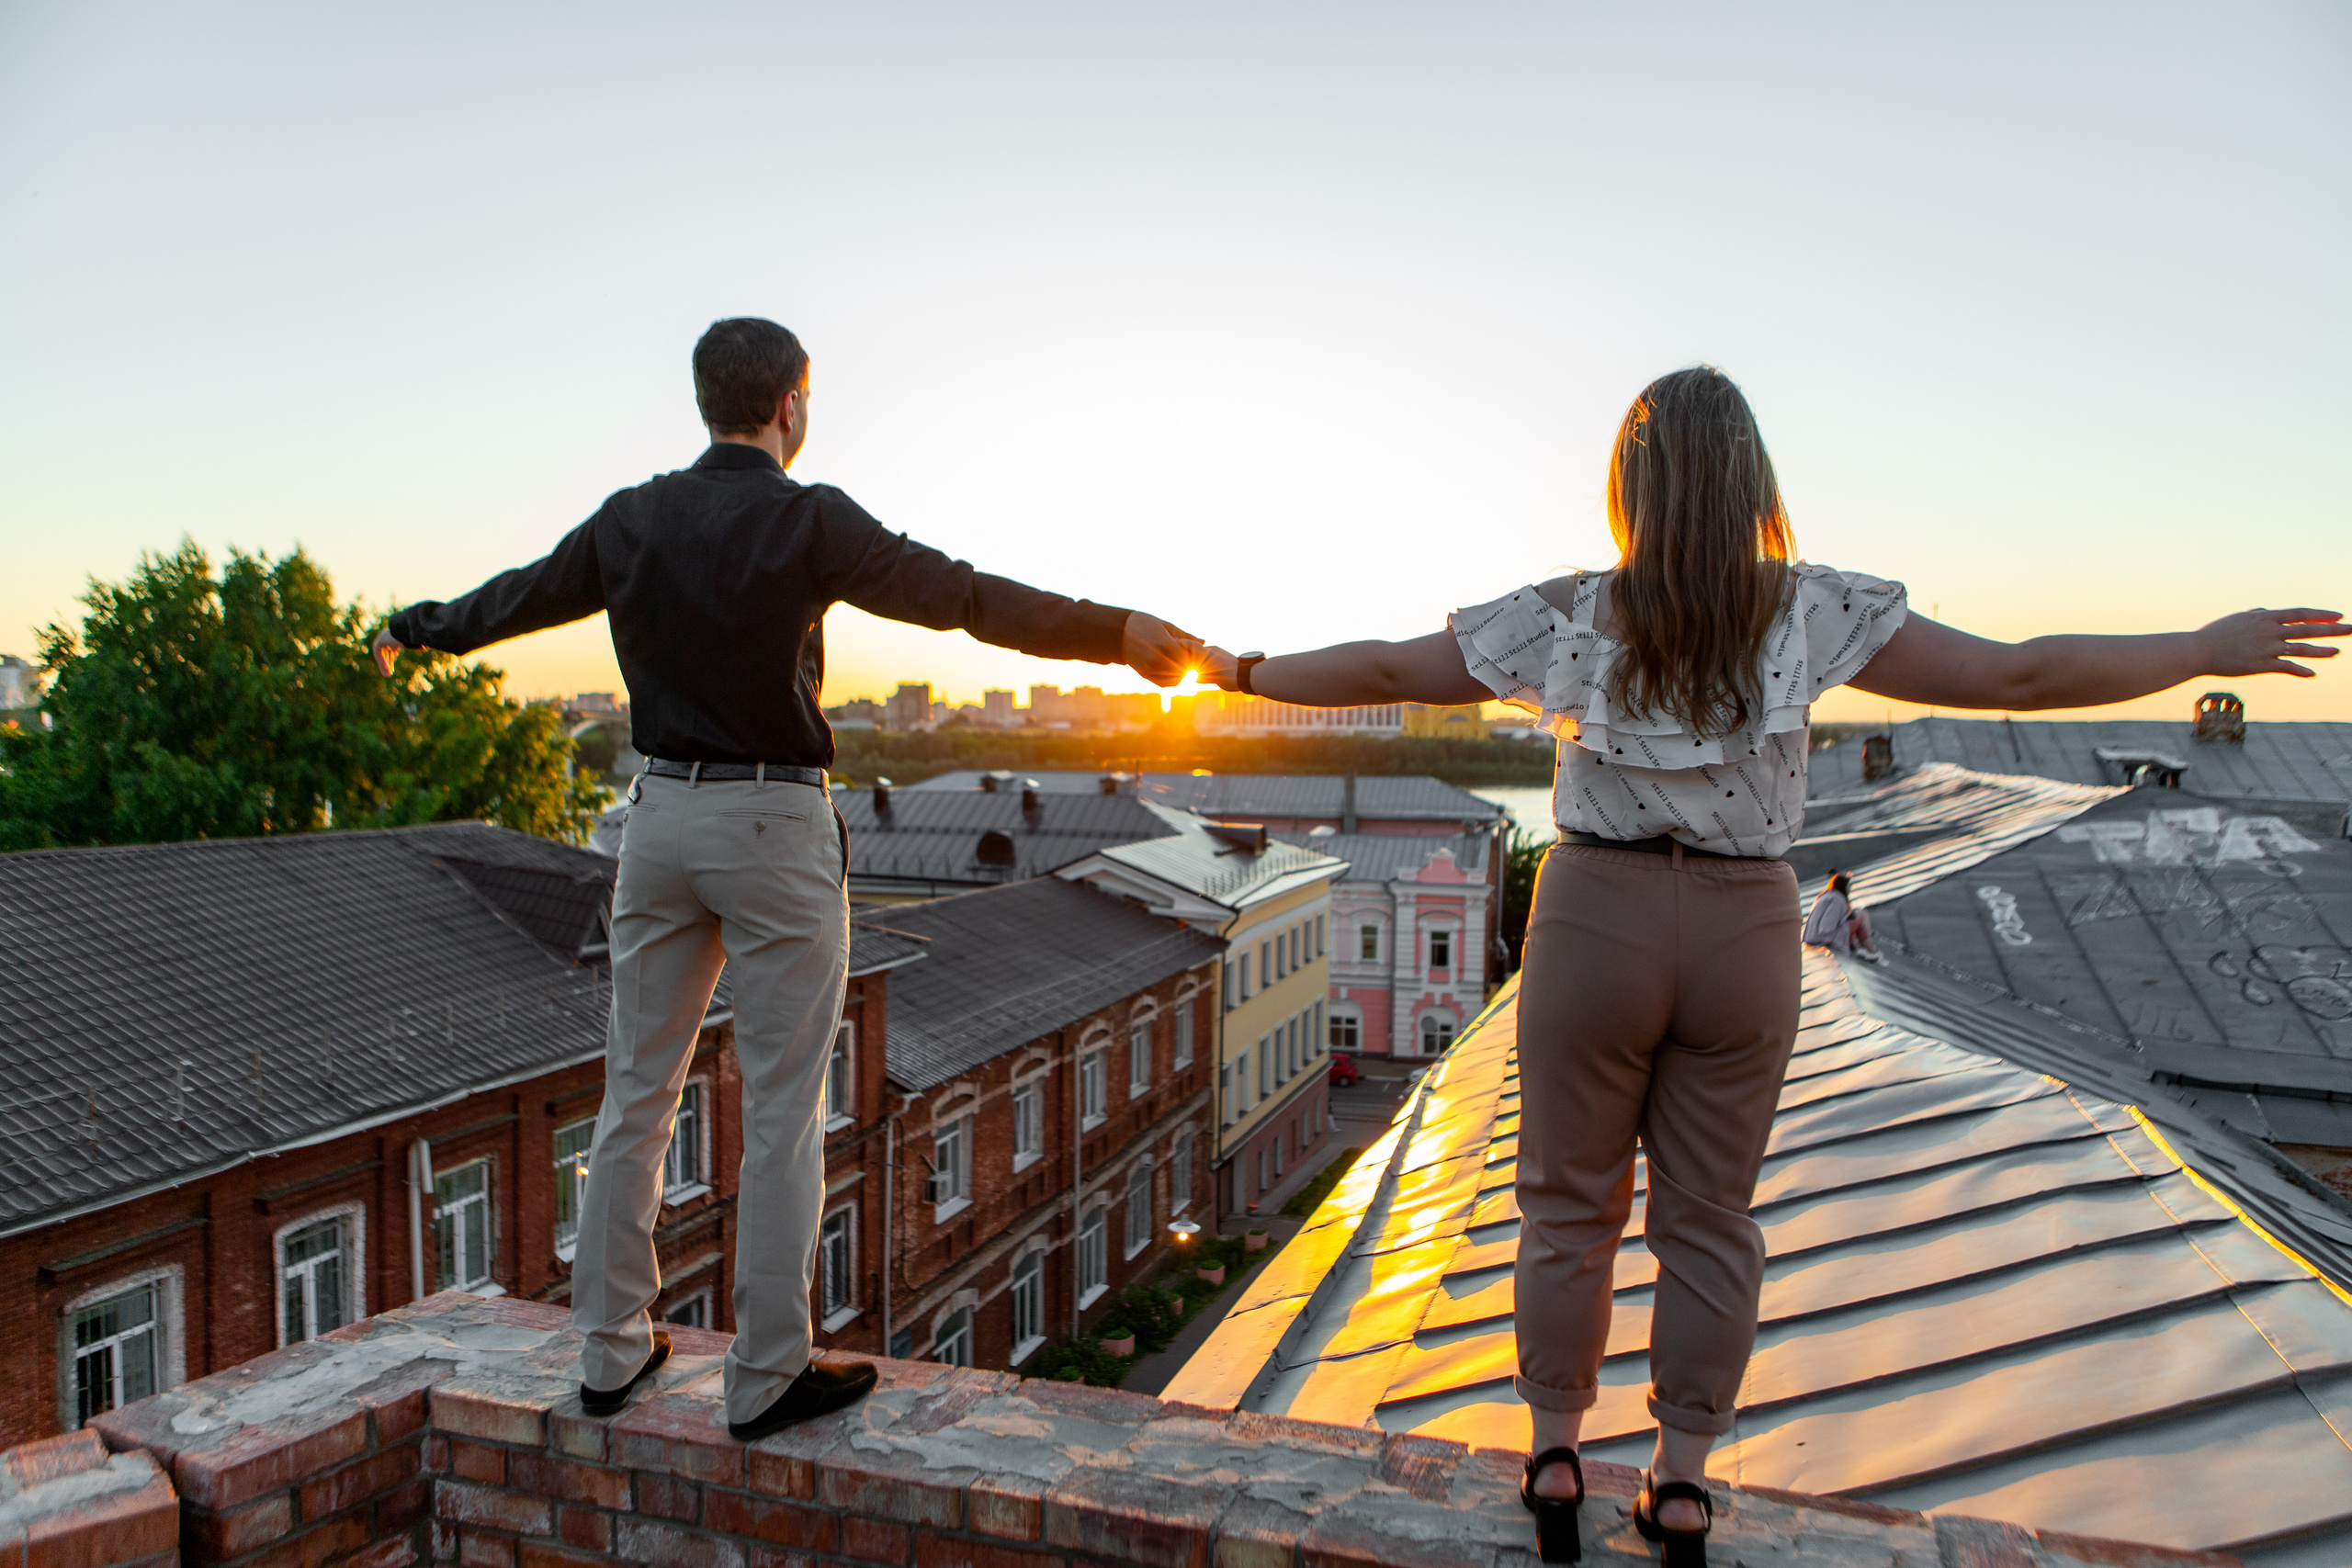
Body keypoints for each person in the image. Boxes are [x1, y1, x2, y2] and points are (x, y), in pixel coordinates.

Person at [1199, 366, 2342, 1565]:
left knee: (1566, 1206)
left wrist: (1240, 671)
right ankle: (1684, 1483)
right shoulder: (1810, 610)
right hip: (1745, 929)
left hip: (1592, 920)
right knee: (1709, 1219)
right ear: (1753, 482)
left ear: (1630, 486)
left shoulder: (1566, 612)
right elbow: (2021, 675)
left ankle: (1554, 1457)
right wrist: (2201, 646)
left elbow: (1388, 670)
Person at [374, 318, 1203, 1440]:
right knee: (780, 1108)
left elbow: (514, 601)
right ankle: (765, 1372)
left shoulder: (631, 518)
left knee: (636, 1093)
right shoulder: (810, 519)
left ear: (705, 401)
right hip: (771, 821)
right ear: (790, 405)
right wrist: (1117, 633)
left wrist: (415, 629)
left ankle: (610, 1352)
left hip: (657, 821)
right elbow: (963, 596)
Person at [1802, 872, 1881, 963]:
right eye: (1849, 885)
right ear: (1843, 885)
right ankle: (1873, 952)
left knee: (1850, 923)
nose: (1850, 887)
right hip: (1821, 938)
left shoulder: (1825, 895)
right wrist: (1831, 940)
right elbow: (1827, 925)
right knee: (1858, 924)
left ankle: (1860, 949)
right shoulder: (1837, 899)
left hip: (1811, 936)